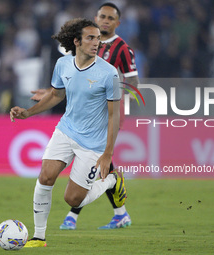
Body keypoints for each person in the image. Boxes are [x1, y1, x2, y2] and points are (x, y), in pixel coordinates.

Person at [10, 18, 125, 248]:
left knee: (73, 198)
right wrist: (27, 113)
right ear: (76, 41)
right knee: (46, 176)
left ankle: (112, 180)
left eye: (98, 39)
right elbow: (55, 95)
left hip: (92, 143)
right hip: (66, 130)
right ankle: (39, 237)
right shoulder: (63, 65)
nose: (96, 43)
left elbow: (115, 116)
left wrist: (108, 154)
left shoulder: (109, 74)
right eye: (90, 38)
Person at [31, 3, 138, 230]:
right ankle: (117, 210)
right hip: (78, 118)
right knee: (98, 167)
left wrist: (116, 99)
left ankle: (76, 213)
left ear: (117, 23)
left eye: (111, 18)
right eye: (102, 16)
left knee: (99, 159)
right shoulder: (88, 42)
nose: (105, 20)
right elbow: (70, 81)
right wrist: (50, 94)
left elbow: (133, 84)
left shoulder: (122, 49)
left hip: (108, 111)